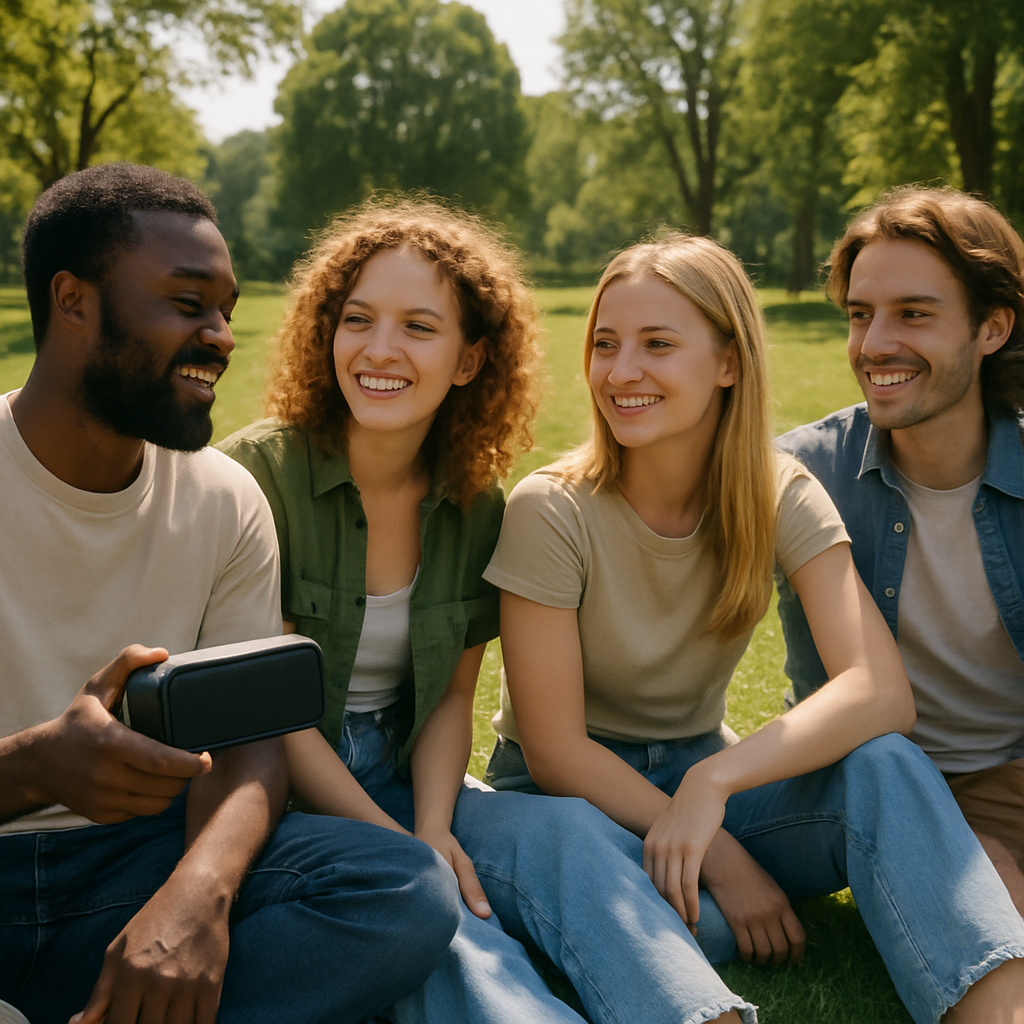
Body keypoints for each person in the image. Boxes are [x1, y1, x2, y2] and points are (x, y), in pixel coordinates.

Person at [221, 199, 772, 1024]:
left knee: (569, 840)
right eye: (358, 320)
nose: (379, 350)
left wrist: (438, 823)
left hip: (411, 773)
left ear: (470, 359)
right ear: (325, 333)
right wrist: (410, 846)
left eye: (418, 327)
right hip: (276, 787)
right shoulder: (255, 479)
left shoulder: (476, 505)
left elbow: (450, 697)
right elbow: (274, 716)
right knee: (443, 914)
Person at [484, 232, 1024, 1023]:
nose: (621, 370)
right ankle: (652, 925)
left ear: (728, 362)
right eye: (606, 344)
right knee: (673, 907)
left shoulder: (776, 489)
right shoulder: (552, 506)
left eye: (657, 344)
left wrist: (712, 784)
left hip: (705, 781)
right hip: (572, 803)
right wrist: (728, 858)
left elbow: (879, 693)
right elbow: (557, 749)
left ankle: (996, 1009)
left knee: (885, 762)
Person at [0, 163, 461, 1024]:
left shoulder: (224, 498)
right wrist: (31, 768)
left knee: (400, 888)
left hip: (136, 866)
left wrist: (197, 897)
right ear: (73, 301)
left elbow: (253, 745)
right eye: (186, 304)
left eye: (225, 310)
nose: (219, 335)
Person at [777, 186, 1024, 920]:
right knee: (1001, 893)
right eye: (860, 315)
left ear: (992, 328)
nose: (876, 343)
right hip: (889, 781)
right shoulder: (802, 474)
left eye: (913, 314)